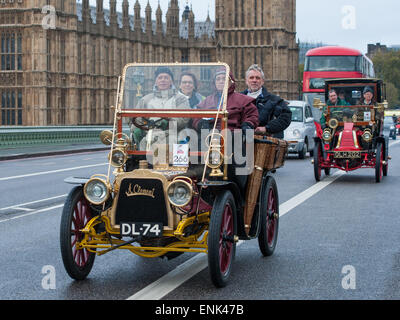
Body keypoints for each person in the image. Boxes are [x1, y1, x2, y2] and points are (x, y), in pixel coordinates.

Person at [131, 66, 190, 149]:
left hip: (173, 133)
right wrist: (144, 128)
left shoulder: (180, 99)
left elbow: (183, 119)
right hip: (149, 132)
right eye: (160, 77)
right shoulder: (145, 99)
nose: (163, 80)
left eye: (166, 78)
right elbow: (136, 119)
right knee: (140, 140)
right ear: (156, 81)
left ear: (171, 81)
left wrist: (165, 123)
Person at [193, 68, 259, 132]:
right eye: (218, 79)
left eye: (224, 79)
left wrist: (248, 124)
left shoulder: (242, 99)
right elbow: (197, 116)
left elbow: (252, 116)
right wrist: (200, 124)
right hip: (209, 135)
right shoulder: (207, 100)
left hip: (233, 136)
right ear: (214, 83)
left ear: (231, 82)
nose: (221, 81)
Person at [241, 64, 291, 139]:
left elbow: (286, 117)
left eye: (257, 78)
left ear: (262, 81)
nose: (254, 80)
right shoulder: (238, 98)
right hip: (240, 142)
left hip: (264, 143)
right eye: (251, 78)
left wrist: (266, 128)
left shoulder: (273, 100)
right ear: (246, 81)